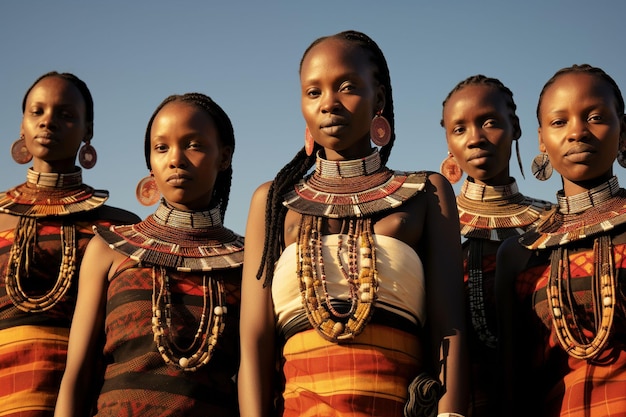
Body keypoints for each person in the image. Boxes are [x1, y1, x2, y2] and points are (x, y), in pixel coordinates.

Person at [238, 30, 467, 417]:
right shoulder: (273, 202)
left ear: (378, 98)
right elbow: (255, 342)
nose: (329, 104)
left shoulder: (426, 192)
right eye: (314, 92)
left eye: (346, 87)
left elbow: (450, 331)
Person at [54, 93, 243, 416]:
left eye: (194, 145)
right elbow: (78, 375)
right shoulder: (108, 250)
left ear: (224, 156)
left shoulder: (247, 260)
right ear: (150, 163)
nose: (175, 159)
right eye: (161, 147)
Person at [0, 71, 139, 416]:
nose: (48, 123)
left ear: (87, 131)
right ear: (22, 125)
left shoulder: (120, 228)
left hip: (88, 400)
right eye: (37, 112)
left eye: (65, 114)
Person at [496, 64, 626, 416]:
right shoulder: (521, 252)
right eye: (559, 122)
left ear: (623, 132)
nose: (577, 132)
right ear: (541, 139)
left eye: (595, 117)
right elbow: (513, 384)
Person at [439, 75, 552, 416]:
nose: (475, 139)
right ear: (448, 142)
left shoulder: (553, 223)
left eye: (489, 122)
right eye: (459, 129)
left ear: (515, 127)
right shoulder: (434, 224)